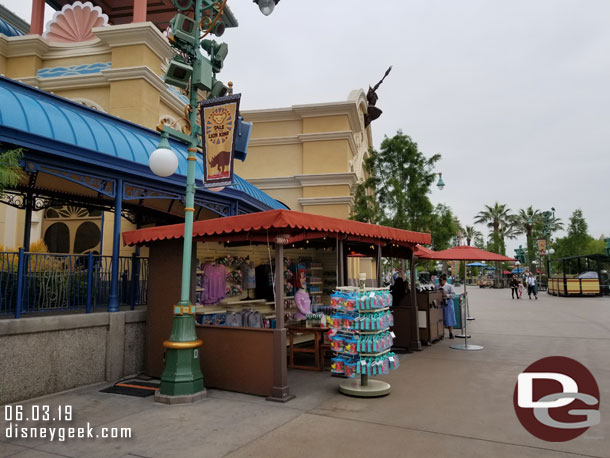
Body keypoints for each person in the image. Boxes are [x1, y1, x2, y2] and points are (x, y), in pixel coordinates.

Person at [438, 274, 457, 339]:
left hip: (448, 303)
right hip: (439, 303)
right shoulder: (437, 286)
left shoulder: (450, 286)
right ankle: (441, 333)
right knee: (440, 318)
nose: (439, 282)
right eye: (439, 280)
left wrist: (446, 295)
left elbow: (454, 295)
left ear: (444, 280)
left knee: (449, 318)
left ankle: (451, 333)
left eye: (441, 280)